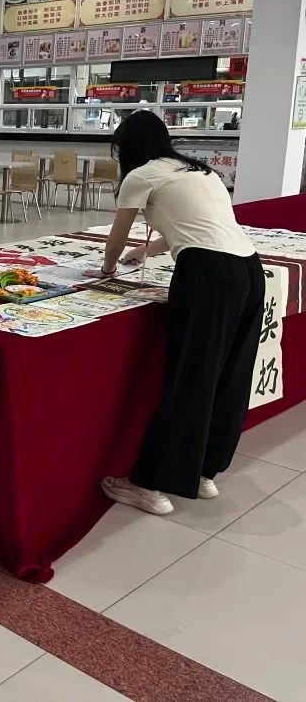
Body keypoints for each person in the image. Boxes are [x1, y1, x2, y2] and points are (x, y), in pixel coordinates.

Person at [90, 111, 263, 515]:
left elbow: (114, 240)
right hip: (249, 270)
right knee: (230, 376)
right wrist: (147, 250)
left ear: (127, 147)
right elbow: (198, 226)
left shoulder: (141, 175)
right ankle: (203, 473)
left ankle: (152, 485)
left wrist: (108, 269)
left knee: (191, 377)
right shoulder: (200, 171)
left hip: (208, 275)